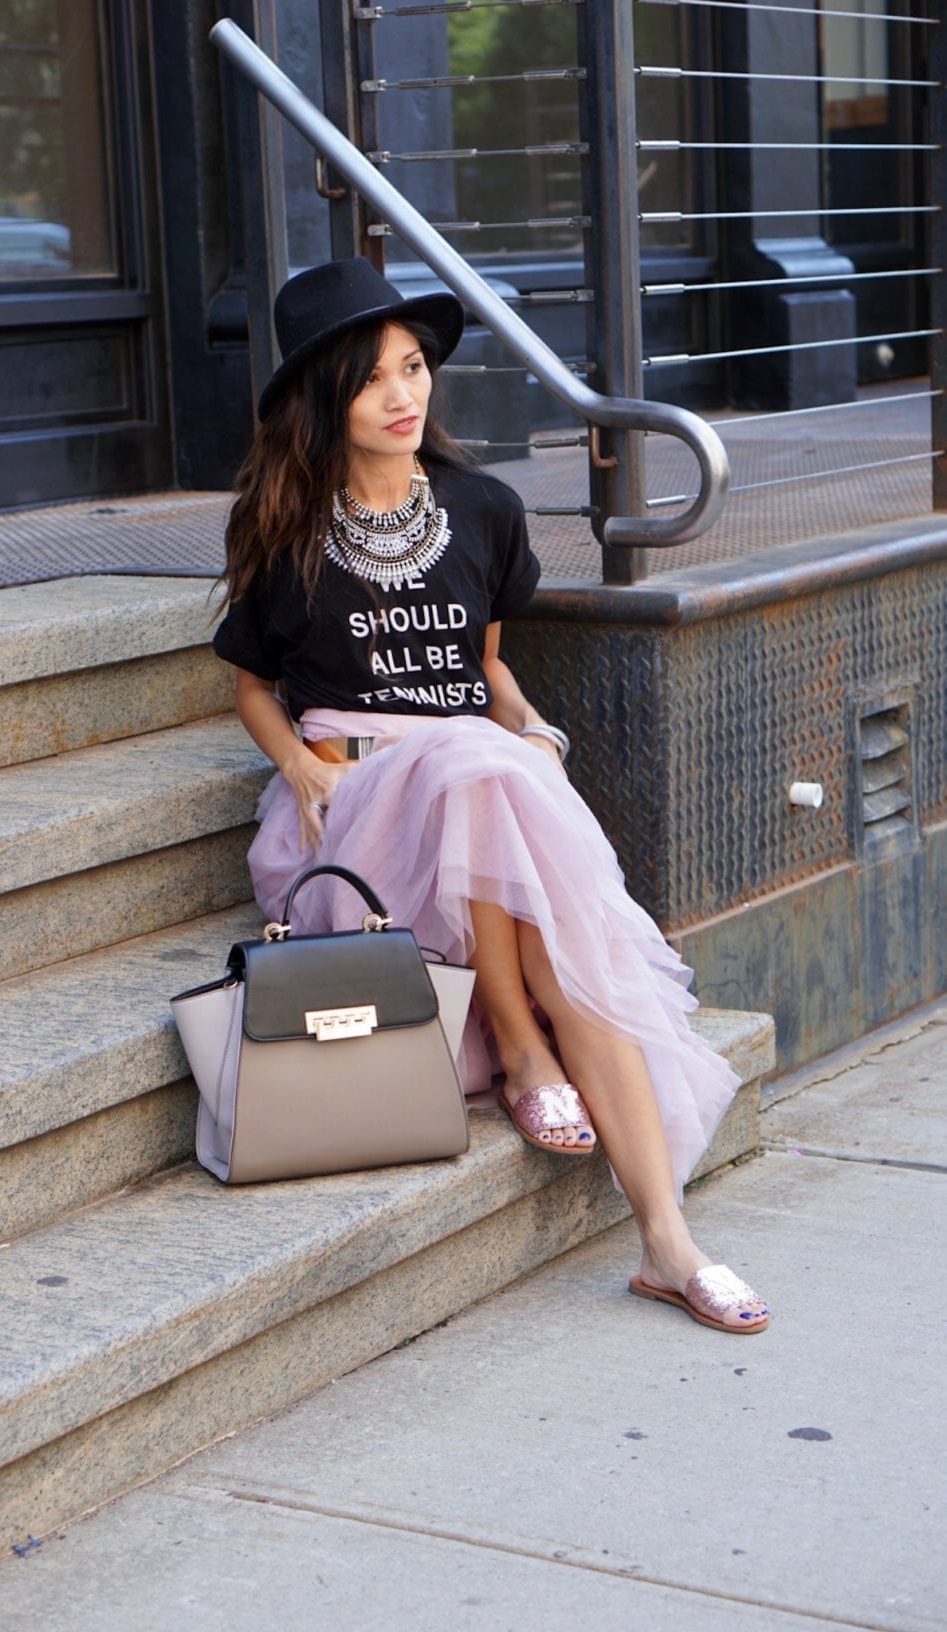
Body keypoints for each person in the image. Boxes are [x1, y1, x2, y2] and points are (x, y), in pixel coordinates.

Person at [214, 257, 770, 1335]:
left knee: (558, 907)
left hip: (476, 783)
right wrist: (297, 767)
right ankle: (522, 1049)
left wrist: (534, 734)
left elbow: (488, 669)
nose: (403, 394)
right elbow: (251, 686)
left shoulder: (480, 506)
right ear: (326, 400)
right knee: (482, 775)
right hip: (354, 805)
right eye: (374, 379)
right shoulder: (282, 523)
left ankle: (668, 1240)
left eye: (414, 368)